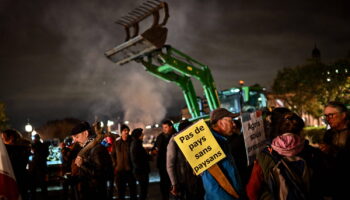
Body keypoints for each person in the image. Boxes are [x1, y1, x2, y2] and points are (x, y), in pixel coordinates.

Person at [246, 110, 326, 200]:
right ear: (300, 130)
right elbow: (324, 187)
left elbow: (252, 192)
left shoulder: (264, 155)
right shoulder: (313, 153)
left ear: (275, 129)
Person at [201, 108, 243, 200]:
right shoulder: (209, 144)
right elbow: (212, 183)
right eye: (231, 121)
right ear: (220, 123)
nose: (234, 124)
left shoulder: (222, 141)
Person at [70, 121, 114, 200]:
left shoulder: (97, 149)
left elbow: (100, 174)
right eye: (73, 138)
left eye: (77, 137)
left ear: (86, 133)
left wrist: (82, 164)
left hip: (95, 194)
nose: (75, 140)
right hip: (89, 192)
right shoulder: (86, 149)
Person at [166, 119, 204, 200]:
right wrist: (174, 184)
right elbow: (170, 165)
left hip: (198, 180)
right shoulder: (174, 140)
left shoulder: (197, 138)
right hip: (184, 181)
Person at [320, 101, 350, 199]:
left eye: (331, 115)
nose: (328, 119)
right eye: (326, 116)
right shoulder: (328, 134)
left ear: (343, 115)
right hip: (334, 183)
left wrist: (334, 151)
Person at [1, 129, 31, 200]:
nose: (2, 140)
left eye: (3, 138)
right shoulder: (24, 148)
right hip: (22, 179)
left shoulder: (12, 150)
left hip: (14, 179)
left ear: (11, 137)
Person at [153, 119, 175, 200]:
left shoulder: (175, 135)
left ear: (171, 127)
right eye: (163, 127)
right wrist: (153, 151)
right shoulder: (160, 136)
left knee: (174, 181)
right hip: (162, 163)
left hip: (173, 163)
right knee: (164, 183)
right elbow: (154, 147)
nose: (164, 129)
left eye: (166, 127)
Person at [114, 124, 137, 200]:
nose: (126, 132)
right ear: (121, 132)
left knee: (133, 191)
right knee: (121, 192)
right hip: (120, 171)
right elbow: (113, 155)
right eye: (124, 130)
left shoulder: (132, 142)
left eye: (127, 130)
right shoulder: (117, 143)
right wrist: (115, 165)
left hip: (130, 171)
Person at [130, 128, 150, 200]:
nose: (143, 135)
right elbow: (138, 159)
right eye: (142, 134)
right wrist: (149, 156)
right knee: (143, 191)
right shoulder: (136, 145)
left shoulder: (136, 144)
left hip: (140, 171)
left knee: (143, 191)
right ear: (138, 136)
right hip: (141, 172)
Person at [29, 134, 49, 200]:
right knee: (43, 185)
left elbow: (32, 152)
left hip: (36, 166)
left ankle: (33, 197)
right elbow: (47, 154)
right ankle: (44, 197)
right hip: (42, 166)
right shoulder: (44, 146)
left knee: (33, 185)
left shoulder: (34, 146)